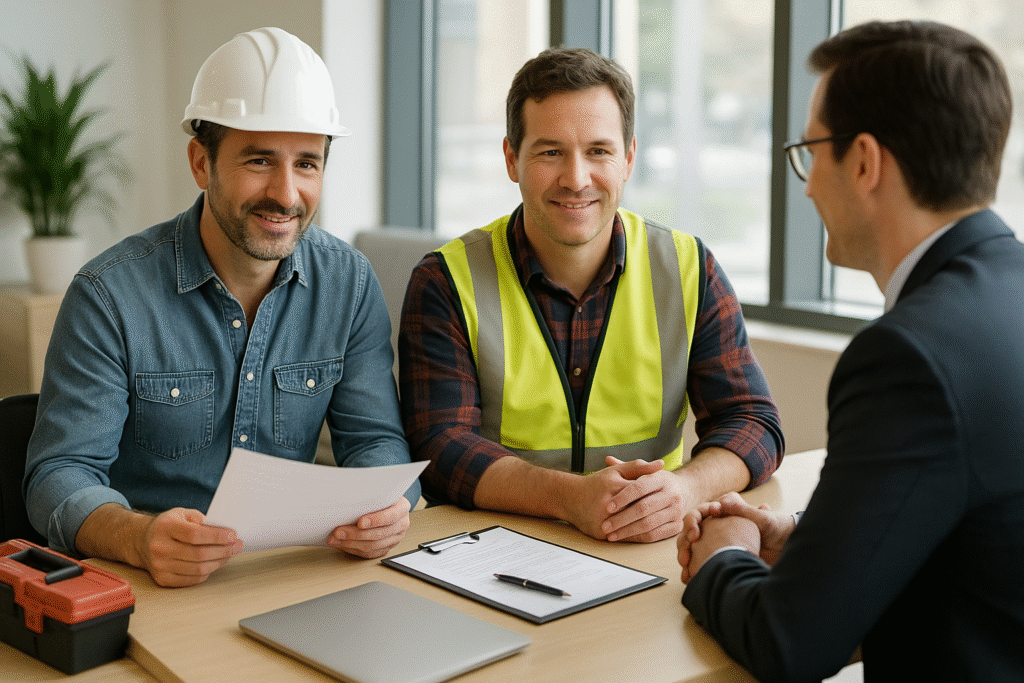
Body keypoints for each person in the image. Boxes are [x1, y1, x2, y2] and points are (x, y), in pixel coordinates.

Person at [677, 20, 1024, 682]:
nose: (806, 186)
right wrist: (813, 539)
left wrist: (724, 555)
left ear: (864, 161)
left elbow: (792, 642)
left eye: (812, 151)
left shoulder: (908, 356)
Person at [24, 27, 419, 587]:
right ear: (200, 162)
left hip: (286, 575)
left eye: (307, 164)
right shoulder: (109, 294)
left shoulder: (348, 282)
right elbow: (58, 474)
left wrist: (388, 504)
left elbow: (376, 440)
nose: (286, 193)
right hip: (150, 585)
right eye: (259, 161)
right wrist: (139, 537)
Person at [398, 46, 783, 544]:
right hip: (495, 551)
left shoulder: (689, 268)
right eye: (550, 152)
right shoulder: (446, 279)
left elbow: (753, 420)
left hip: (648, 545)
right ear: (513, 159)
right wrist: (567, 498)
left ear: (628, 158)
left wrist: (683, 490)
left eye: (598, 151)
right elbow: (439, 448)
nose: (576, 179)